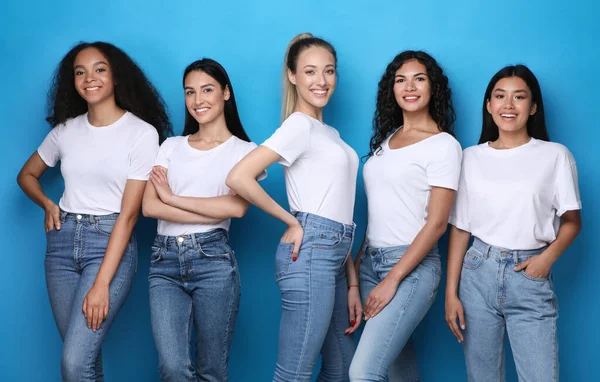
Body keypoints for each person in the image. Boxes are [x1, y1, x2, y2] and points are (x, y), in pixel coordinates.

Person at [16, 41, 171, 381]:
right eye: (80, 72)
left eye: (99, 69)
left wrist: (102, 284)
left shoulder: (141, 134)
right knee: (85, 359)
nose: (90, 78)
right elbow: (26, 175)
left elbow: (129, 216)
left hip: (108, 244)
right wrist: (46, 203)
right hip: (60, 248)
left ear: (116, 77)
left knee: (74, 363)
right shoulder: (65, 131)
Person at [226, 33, 362, 381]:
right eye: (310, 72)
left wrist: (351, 283)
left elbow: (337, 208)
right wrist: (292, 221)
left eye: (328, 71)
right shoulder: (299, 125)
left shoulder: (327, 131)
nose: (321, 81)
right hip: (312, 251)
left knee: (341, 368)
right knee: (294, 373)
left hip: (333, 252)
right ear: (293, 76)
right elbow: (240, 176)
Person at [445, 64, 582, 381]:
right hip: (477, 273)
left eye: (519, 97)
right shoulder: (470, 157)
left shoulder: (555, 155)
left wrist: (545, 260)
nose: (508, 105)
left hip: (529, 275)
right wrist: (451, 294)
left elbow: (573, 222)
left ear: (532, 107)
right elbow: (460, 229)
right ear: (489, 105)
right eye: (500, 96)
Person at [142, 58, 264, 381]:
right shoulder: (171, 145)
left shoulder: (245, 152)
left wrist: (172, 198)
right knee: (173, 368)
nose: (198, 101)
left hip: (213, 261)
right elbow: (149, 207)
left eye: (207, 90)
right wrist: (203, 206)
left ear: (225, 93)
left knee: (212, 370)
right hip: (163, 261)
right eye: (190, 92)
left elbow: (236, 208)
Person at [349, 51, 462, 381]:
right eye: (401, 80)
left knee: (364, 372)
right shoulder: (386, 142)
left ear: (433, 88)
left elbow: (438, 223)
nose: (409, 87)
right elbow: (379, 211)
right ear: (392, 89)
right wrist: (357, 269)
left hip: (411, 268)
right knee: (399, 370)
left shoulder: (443, 145)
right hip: (370, 264)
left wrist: (393, 279)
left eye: (419, 78)